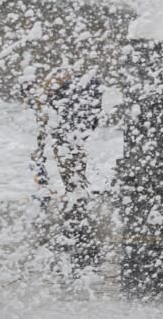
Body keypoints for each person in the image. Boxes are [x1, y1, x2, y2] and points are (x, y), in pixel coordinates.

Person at [23, 64, 103, 268]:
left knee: (71, 164)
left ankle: (75, 215)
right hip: (74, 123)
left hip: (72, 123)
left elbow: (45, 128)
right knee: (73, 165)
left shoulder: (60, 92)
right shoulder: (68, 91)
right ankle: (75, 208)